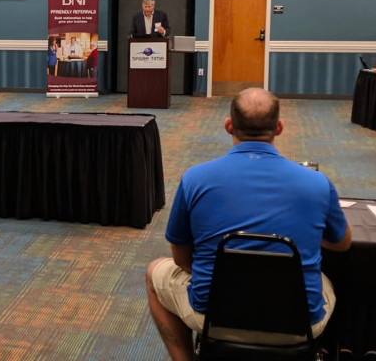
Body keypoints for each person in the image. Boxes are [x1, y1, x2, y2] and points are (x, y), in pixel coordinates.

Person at [146, 88, 351, 361]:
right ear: (279, 128)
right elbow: (343, 243)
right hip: (299, 321)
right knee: (327, 278)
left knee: (153, 272)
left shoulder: (195, 179)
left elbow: (181, 257)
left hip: (213, 316)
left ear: (228, 125)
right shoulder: (317, 184)